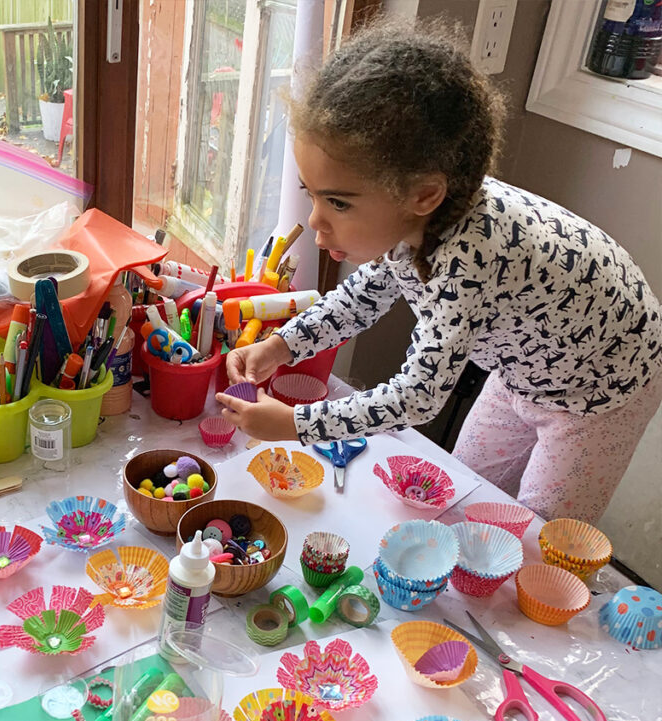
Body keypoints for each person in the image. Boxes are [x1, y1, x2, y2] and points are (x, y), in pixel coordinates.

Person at [215, 23, 662, 524]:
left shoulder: (467, 261)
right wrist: (283, 345)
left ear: (424, 195)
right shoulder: (418, 216)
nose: (316, 219)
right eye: (312, 193)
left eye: (337, 201)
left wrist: (299, 424)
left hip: (604, 387)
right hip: (521, 368)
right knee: (465, 492)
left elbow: (419, 396)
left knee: (540, 539)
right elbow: (364, 297)